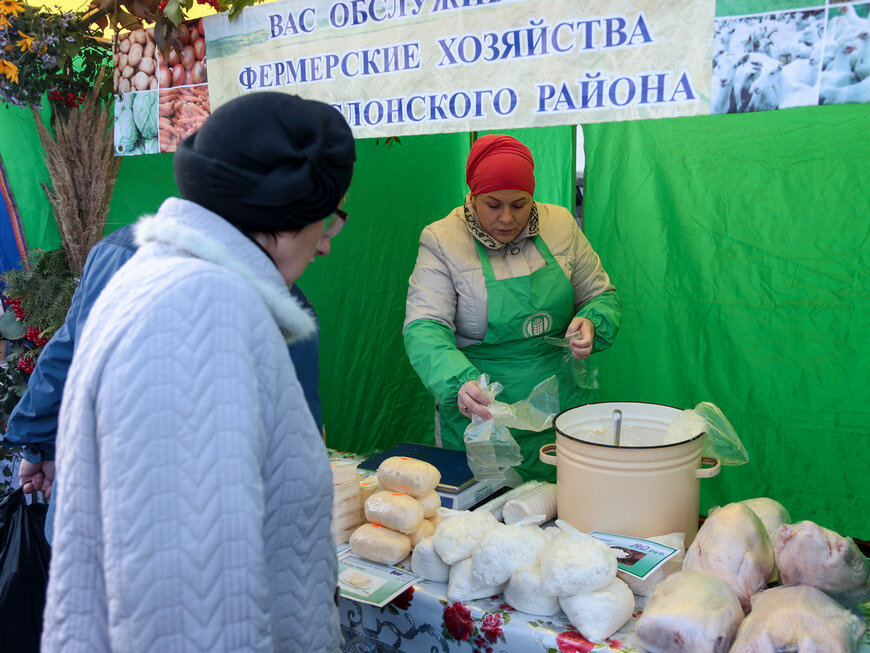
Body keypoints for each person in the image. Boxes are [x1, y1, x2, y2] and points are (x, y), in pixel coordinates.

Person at [40, 91, 355, 651]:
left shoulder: (172, 279)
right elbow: (189, 610)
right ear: (282, 219)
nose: (327, 245)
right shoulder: (197, 309)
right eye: (328, 220)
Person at [5, 196, 347, 543]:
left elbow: (67, 355)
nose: (326, 247)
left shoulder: (122, 249)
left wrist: (41, 447)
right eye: (323, 224)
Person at [403, 134, 620, 480]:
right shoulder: (442, 240)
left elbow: (600, 295)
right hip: (482, 410)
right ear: (473, 197)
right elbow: (424, 326)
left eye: (519, 205)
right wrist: (459, 381)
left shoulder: (561, 225)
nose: (506, 218)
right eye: (493, 204)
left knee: (565, 513)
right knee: (485, 521)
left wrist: (592, 320)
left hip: (561, 407)